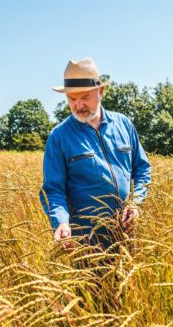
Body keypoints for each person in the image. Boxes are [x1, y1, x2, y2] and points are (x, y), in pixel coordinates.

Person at [40, 58, 151, 250]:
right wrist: (61, 223)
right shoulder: (58, 137)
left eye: (85, 97)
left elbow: (142, 169)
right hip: (86, 242)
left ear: (101, 92)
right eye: (72, 99)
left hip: (126, 234)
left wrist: (135, 203)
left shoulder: (124, 124)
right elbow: (53, 189)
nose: (78, 105)